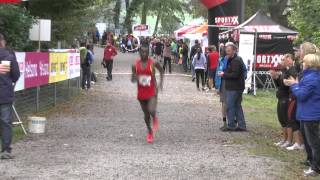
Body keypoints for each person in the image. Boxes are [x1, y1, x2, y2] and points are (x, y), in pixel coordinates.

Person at [284, 53, 320, 177]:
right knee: (308, 141)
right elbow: (302, 90)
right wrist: (295, 84)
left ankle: (316, 167)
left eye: (304, 62)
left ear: (309, 64)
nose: (302, 63)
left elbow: (302, 95)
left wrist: (294, 85)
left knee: (313, 142)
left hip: (311, 114)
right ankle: (311, 162)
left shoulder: (313, 78)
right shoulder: (308, 76)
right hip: (305, 112)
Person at [131, 46, 164, 143]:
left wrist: (160, 83)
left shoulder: (153, 63)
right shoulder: (135, 65)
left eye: (146, 52)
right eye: (142, 52)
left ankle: (154, 117)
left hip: (152, 90)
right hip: (141, 91)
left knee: (151, 110)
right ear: (139, 53)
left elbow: (161, 71)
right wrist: (134, 78)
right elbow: (132, 79)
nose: (144, 54)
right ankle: (149, 131)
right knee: (146, 114)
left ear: (148, 53)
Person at [270, 54, 302, 149]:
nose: (282, 61)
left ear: (290, 60)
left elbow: (293, 83)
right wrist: (275, 77)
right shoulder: (285, 71)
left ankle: (290, 141)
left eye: (284, 59)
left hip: (287, 98)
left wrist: (286, 82)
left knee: (288, 120)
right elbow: (281, 85)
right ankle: (285, 139)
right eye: (282, 59)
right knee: (282, 119)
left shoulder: (292, 70)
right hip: (281, 97)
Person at [0, 33, 20, 159]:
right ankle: (6, 150)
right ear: (2, 42)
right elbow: (16, 75)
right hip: (4, 93)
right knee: (6, 122)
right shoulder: (8, 56)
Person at [218, 42, 246, 131]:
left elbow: (235, 75)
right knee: (237, 106)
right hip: (236, 87)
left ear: (234, 51)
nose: (227, 52)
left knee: (230, 106)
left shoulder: (236, 61)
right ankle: (241, 125)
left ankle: (231, 125)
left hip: (234, 87)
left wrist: (224, 74)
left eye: (229, 51)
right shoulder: (232, 59)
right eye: (227, 51)